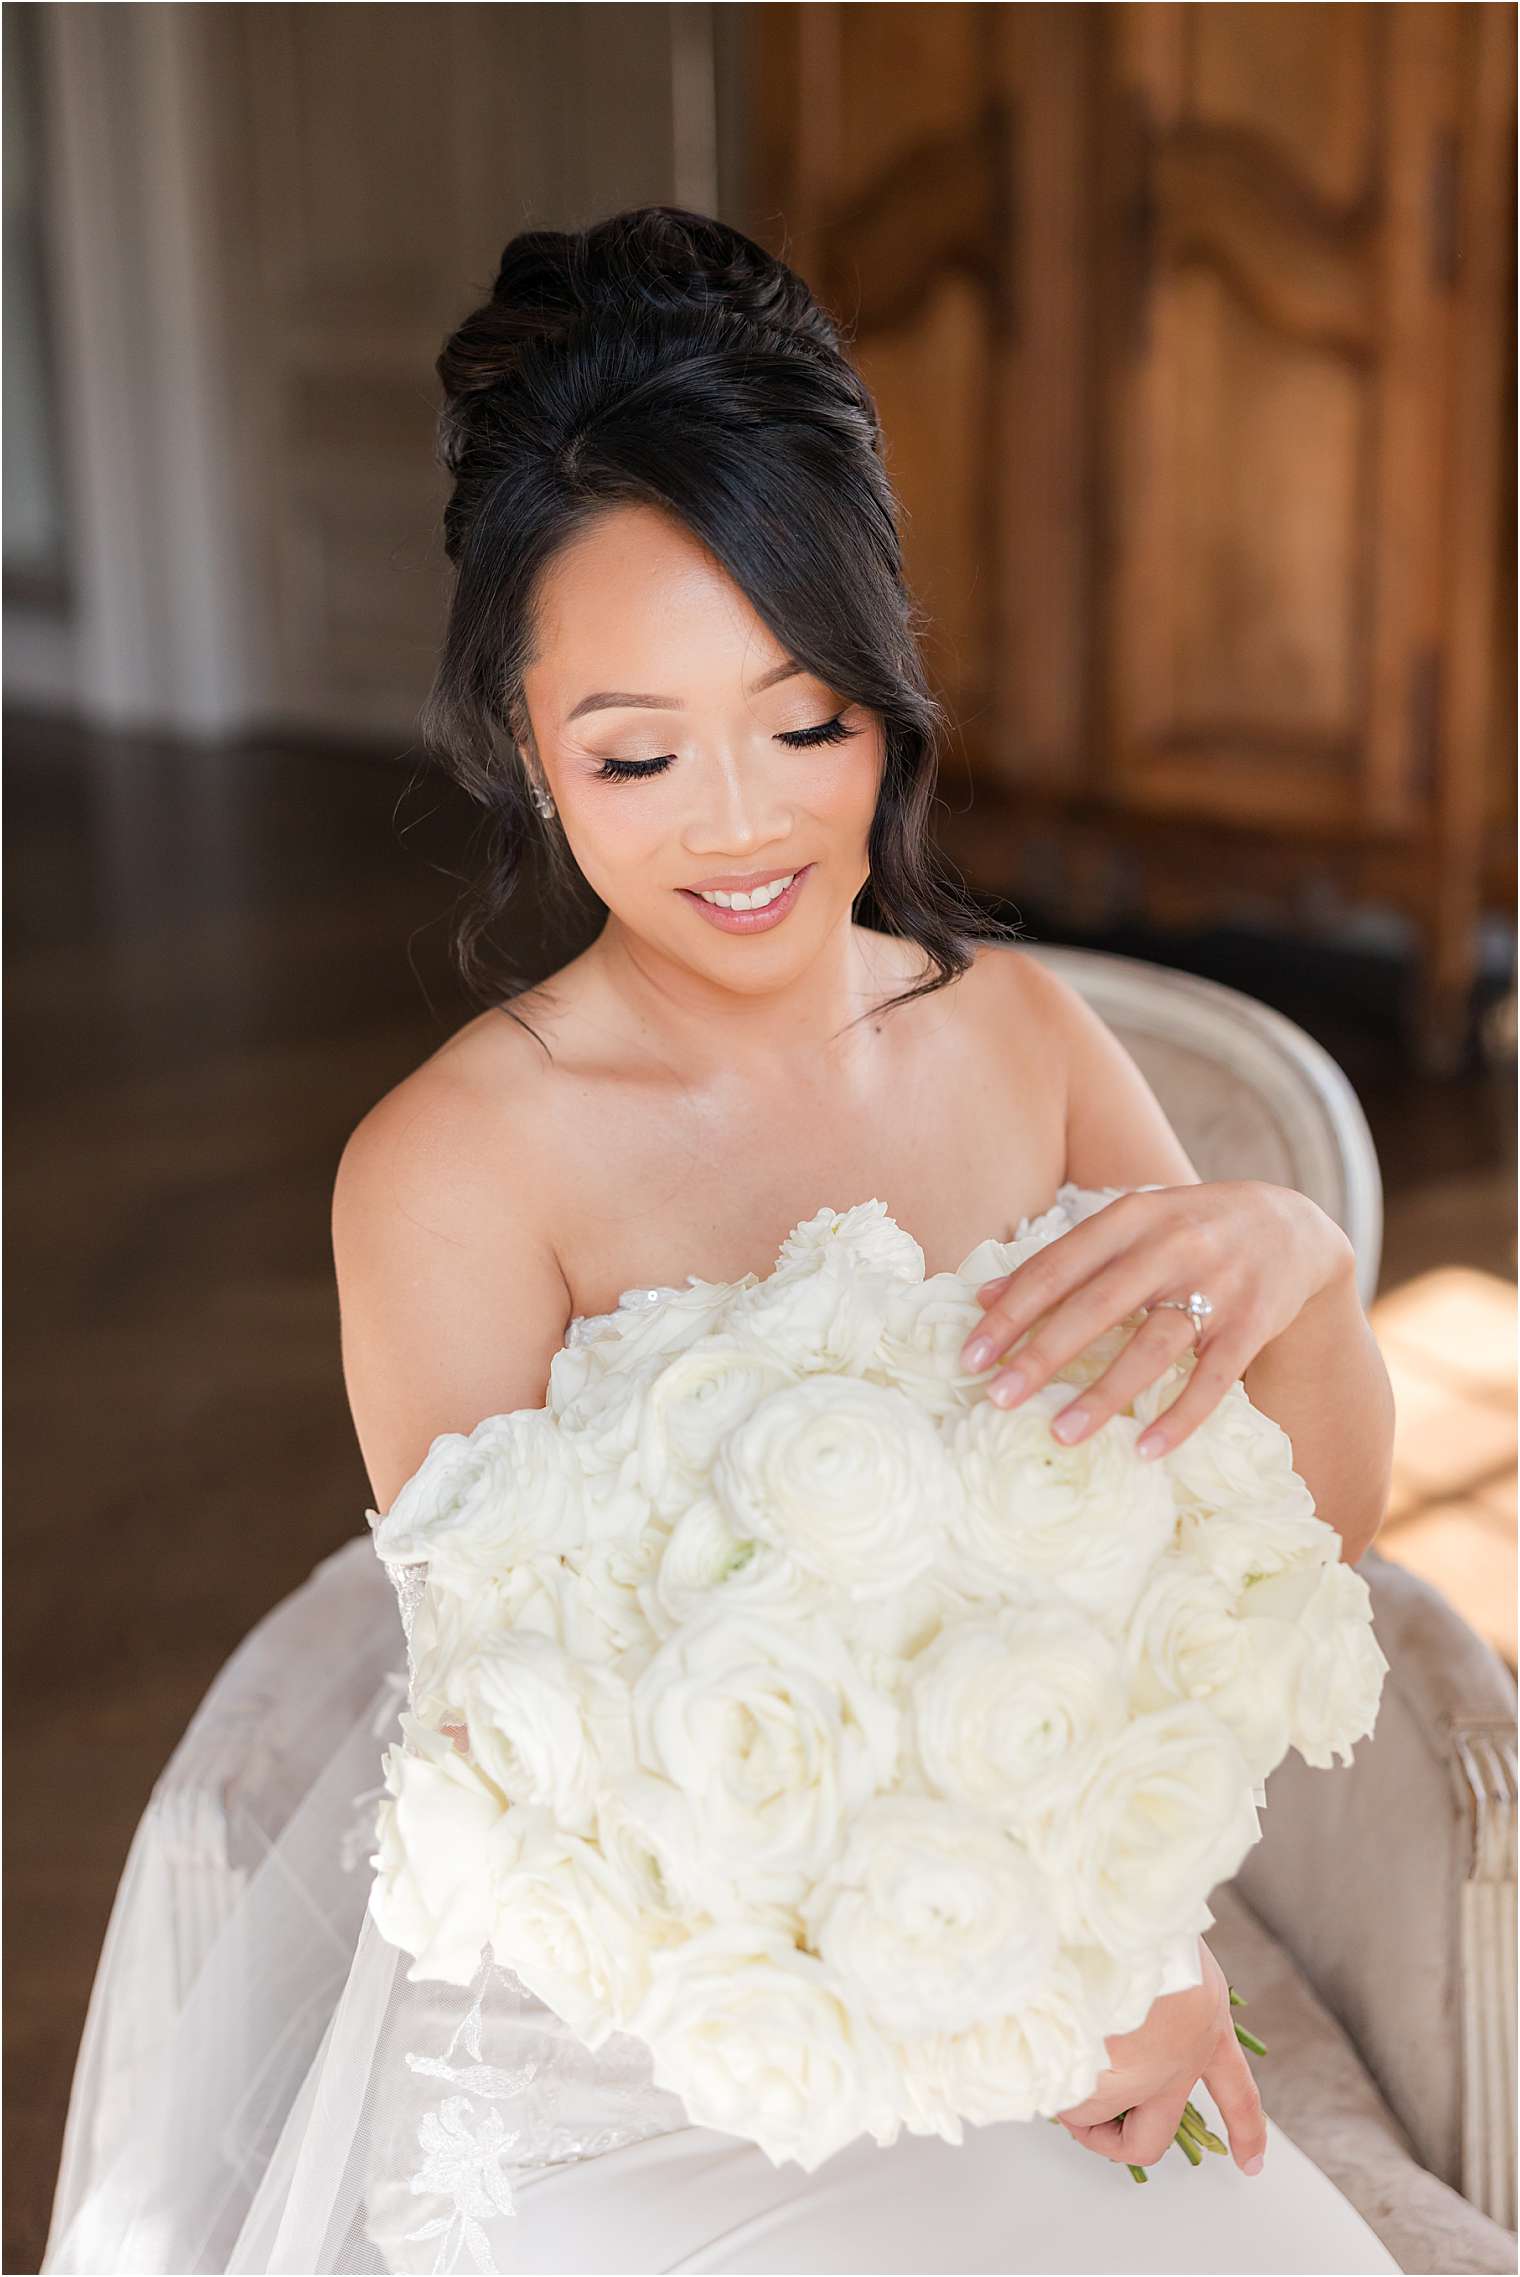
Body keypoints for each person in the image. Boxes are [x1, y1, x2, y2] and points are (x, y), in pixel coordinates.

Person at [41, 204, 1402, 2275]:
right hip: (645, 2033)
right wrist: (1038, 1980)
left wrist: (1290, 1249)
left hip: (1023, 1951)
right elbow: (553, 1744)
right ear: (520, 740)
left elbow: (1279, 1541)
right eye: (636, 753)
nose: (744, 824)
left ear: (884, 688)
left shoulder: (1021, 1035)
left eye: (804, 721)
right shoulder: (452, 1170)